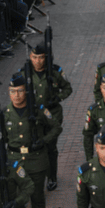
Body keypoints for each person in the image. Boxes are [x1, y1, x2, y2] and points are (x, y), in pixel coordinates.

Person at [2, 73, 60, 208]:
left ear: (26, 91)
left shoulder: (39, 110)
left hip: (36, 160)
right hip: (15, 161)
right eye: (13, 91)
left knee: (36, 197)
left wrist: (44, 141)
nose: (17, 95)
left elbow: (56, 127)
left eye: (20, 91)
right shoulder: (5, 114)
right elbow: (2, 140)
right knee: (18, 198)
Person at [27, 43, 73, 191]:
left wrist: (57, 97)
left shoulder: (54, 71)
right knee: (35, 145)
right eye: (35, 57)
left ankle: (52, 177)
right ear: (30, 57)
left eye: (41, 58)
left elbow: (67, 88)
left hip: (52, 114)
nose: (38, 61)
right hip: (34, 115)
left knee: (50, 147)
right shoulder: (25, 73)